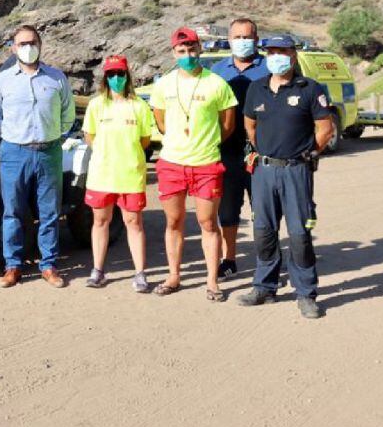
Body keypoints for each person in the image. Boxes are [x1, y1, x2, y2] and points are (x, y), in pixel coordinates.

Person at [239, 35, 334, 319]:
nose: (276, 56)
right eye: (271, 52)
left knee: (298, 234)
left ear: (293, 55)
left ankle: (306, 293)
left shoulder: (309, 89)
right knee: (264, 232)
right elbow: (250, 127)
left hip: (296, 171)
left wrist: (306, 154)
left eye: (281, 51)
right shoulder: (256, 89)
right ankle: (265, 287)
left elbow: (325, 130)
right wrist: (266, 153)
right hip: (264, 171)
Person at [150, 27, 237, 301]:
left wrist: (205, 143)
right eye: (181, 51)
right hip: (172, 163)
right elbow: (161, 122)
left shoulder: (217, 83)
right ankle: (174, 275)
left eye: (191, 50)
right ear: (173, 53)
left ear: (200, 49)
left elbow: (227, 125)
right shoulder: (164, 84)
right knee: (174, 221)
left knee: (207, 222)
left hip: (206, 165)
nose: (187, 55)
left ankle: (212, 281)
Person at [0, 24, 75, 288]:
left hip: (49, 151)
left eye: (32, 42)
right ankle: (12, 265)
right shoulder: (3, 80)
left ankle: (48, 265)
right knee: (12, 210)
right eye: (22, 44)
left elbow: (68, 113)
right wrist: (10, 134)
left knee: (49, 211)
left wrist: (55, 135)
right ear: (13, 48)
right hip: (15, 152)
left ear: (40, 44)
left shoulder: (56, 77)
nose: (28, 48)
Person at [81, 55, 154, 292]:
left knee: (133, 222)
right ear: (105, 78)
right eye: (111, 75)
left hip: (130, 175)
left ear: (127, 76)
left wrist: (126, 154)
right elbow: (89, 136)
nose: (116, 79)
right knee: (101, 221)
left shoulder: (140, 106)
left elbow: (144, 140)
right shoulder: (96, 105)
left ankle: (140, 273)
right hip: (102, 175)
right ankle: (98, 270)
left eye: (120, 74)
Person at [211, 18, 269, 278]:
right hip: (227, 151)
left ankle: (267, 259)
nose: (242, 42)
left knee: (264, 210)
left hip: (264, 151)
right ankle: (229, 258)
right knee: (228, 210)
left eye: (247, 37)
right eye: (237, 37)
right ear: (229, 39)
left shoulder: (270, 66)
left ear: (256, 40)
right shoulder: (217, 70)